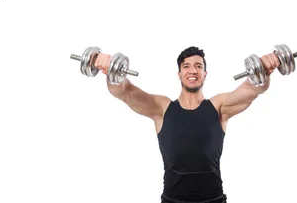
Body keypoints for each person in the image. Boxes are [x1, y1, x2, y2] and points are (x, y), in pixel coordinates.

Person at [93, 46, 281, 203]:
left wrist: (263, 71)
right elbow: (125, 92)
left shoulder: (219, 106)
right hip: (172, 200)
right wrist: (112, 72)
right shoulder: (161, 108)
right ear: (179, 73)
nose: (193, 71)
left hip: (214, 200)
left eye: (198, 66)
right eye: (187, 66)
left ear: (205, 74)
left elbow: (252, 89)